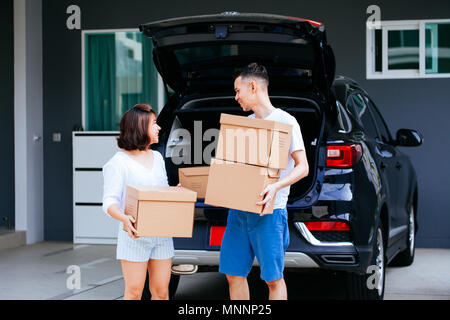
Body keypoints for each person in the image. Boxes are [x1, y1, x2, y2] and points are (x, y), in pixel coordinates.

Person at [219, 63, 309, 300]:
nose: (236, 97)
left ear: (253, 86)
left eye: (238, 91)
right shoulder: (244, 124)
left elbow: (303, 167)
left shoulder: (286, 121)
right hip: (239, 210)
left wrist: (276, 185)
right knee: (233, 273)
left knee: (273, 279)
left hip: (269, 212)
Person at [102, 104, 178, 300]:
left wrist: (174, 194)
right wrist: (124, 219)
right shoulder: (118, 162)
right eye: (154, 123)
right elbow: (109, 201)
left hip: (161, 235)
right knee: (134, 293)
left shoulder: (158, 158)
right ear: (140, 127)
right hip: (134, 234)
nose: (159, 127)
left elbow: (160, 191)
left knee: (161, 292)